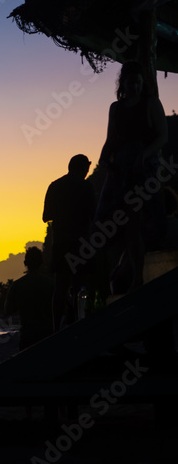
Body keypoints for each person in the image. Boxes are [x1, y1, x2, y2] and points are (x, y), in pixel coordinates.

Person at [95, 60, 167, 293]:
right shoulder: (115, 108)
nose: (134, 86)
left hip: (143, 169)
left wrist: (143, 156)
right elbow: (110, 140)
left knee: (139, 222)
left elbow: (162, 137)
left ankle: (136, 275)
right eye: (131, 82)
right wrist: (103, 159)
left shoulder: (151, 104)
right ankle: (128, 275)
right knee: (121, 225)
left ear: (142, 83)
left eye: (138, 82)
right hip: (120, 170)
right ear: (123, 83)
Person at [42, 154, 95, 330]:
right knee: (80, 284)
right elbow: (94, 215)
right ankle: (79, 322)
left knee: (61, 286)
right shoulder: (86, 186)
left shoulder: (55, 186)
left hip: (61, 243)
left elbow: (45, 217)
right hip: (81, 242)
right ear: (84, 168)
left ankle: (56, 327)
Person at [5, 246, 55, 351]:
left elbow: (8, 311)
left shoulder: (17, 285)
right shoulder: (50, 284)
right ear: (41, 262)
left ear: (25, 263)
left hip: (27, 336)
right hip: (47, 335)